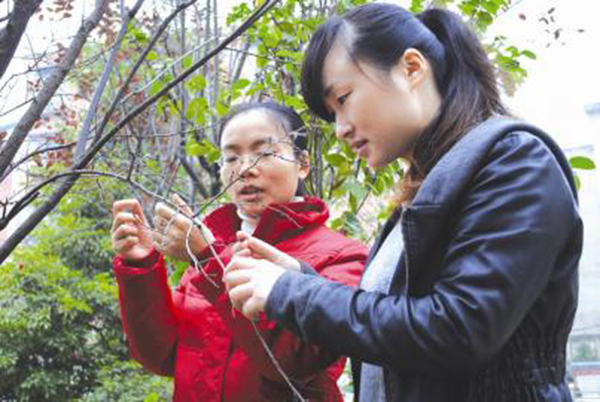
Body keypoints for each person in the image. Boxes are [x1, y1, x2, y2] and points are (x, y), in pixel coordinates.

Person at [223, 4, 583, 401]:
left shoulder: (514, 162)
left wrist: (293, 292)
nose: (340, 129)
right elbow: (398, 322)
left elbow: (459, 331)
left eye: (343, 98)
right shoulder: (429, 187)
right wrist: (304, 281)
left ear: (412, 68)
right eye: (332, 113)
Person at [110, 102, 367, 402]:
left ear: (303, 163)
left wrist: (210, 258)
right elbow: (161, 355)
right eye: (231, 157)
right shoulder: (213, 244)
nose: (244, 169)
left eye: (264, 152)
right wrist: (140, 267)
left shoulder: (343, 255)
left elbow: (295, 362)